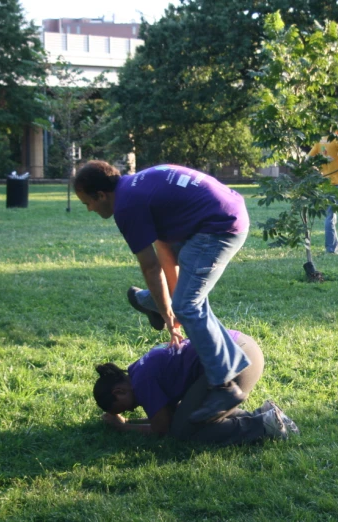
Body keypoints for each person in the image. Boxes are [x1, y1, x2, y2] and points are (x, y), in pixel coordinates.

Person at [74, 161, 251, 424]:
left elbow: (150, 266)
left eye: (86, 202)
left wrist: (172, 315)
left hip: (219, 226)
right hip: (218, 214)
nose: (88, 209)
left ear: (100, 195)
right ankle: (151, 302)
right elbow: (166, 251)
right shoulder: (140, 186)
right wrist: (169, 309)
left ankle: (225, 386)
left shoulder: (126, 206)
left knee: (188, 306)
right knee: (182, 302)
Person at [93, 331, 299, 445]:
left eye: (125, 408)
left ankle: (263, 427)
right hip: (243, 347)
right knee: (191, 415)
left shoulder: (142, 383)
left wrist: (123, 426)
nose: (132, 409)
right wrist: (129, 421)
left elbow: (163, 428)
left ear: (118, 392)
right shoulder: (138, 369)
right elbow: (168, 415)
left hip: (234, 363)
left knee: (184, 432)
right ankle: (265, 416)